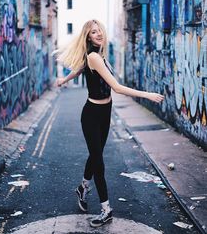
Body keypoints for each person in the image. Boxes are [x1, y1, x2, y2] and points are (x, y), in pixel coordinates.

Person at [55, 19, 164, 228]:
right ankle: (106, 209)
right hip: (91, 114)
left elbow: (78, 69)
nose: (98, 34)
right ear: (88, 36)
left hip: (105, 112)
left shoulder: (97, 56)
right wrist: (147, 95)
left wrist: (63, 80)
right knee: (98, 161)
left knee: (95, 155)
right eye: (93, 32)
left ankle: (83, 187)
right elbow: (117, 87)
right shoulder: (94, 57)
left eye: (100, 31)